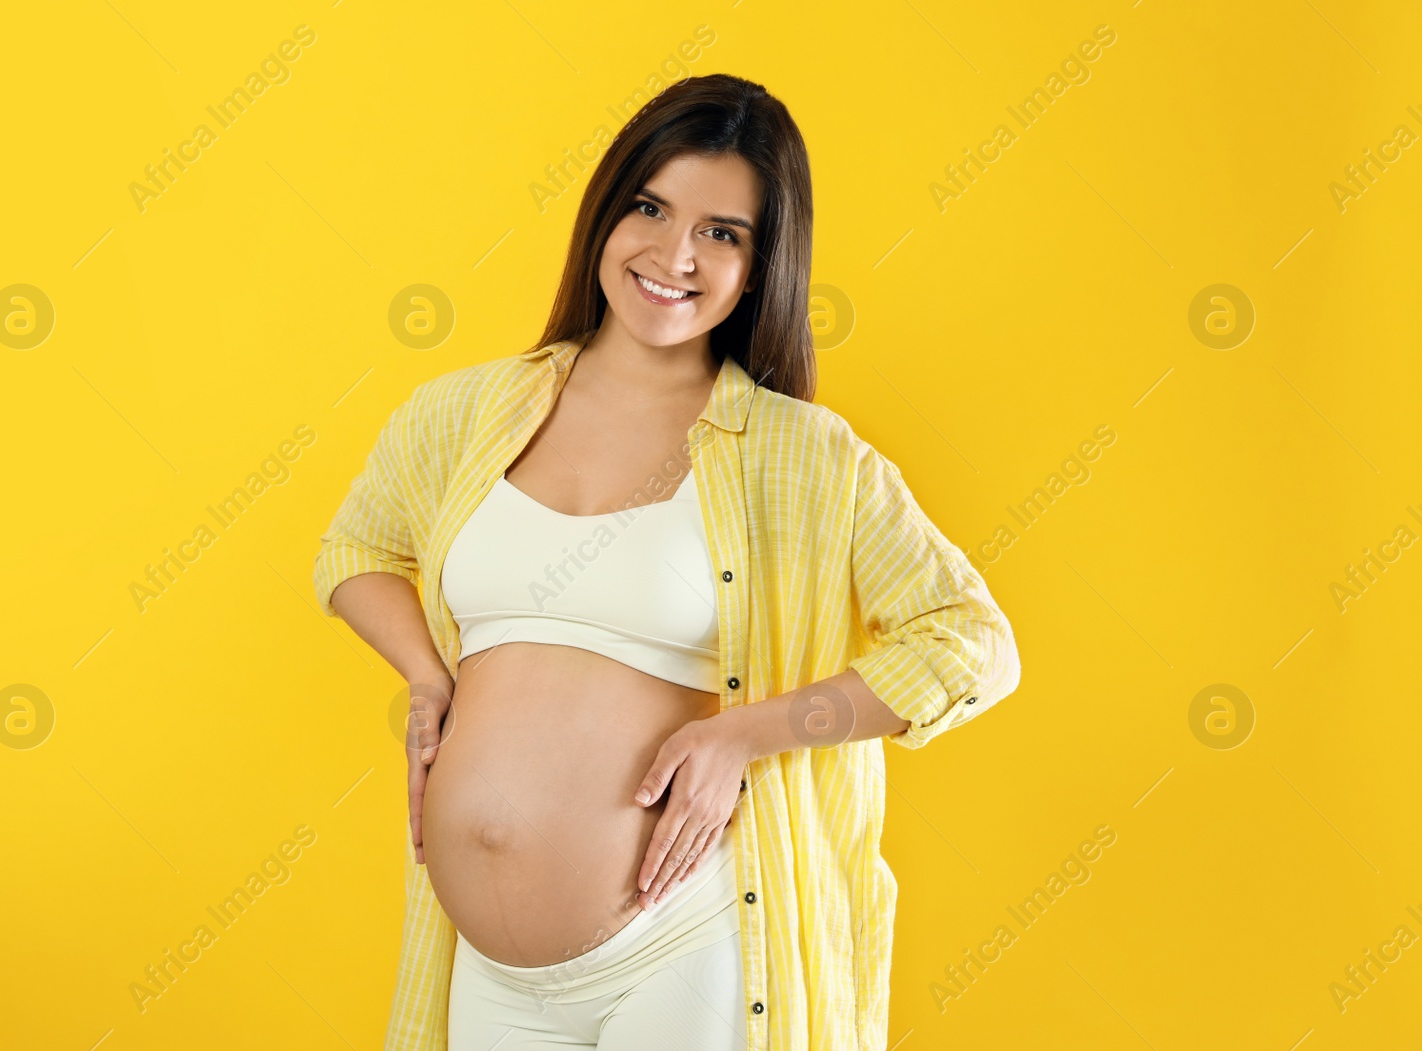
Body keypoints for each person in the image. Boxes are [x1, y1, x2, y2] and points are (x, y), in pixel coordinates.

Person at [314, 72, 1022, 1051]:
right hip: (490, 972)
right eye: (649, 207)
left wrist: (748, 733)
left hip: (681, 948)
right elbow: (354, 550)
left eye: (721, 232)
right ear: (605, 213)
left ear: (759, 263)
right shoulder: (463, 413)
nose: (673, 254)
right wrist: (432, 678)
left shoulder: (802, 455)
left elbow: (973, 643)